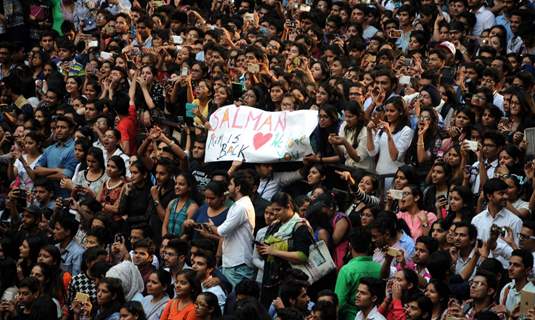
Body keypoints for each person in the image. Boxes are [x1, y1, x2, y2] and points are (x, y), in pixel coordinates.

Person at [257, 192, 313, 307]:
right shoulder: (275, 224)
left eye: (278, 210)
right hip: (270, 279)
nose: (275, 214)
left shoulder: (300, 226)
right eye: (273, 210)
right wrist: (264, 249)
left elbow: (303, 256)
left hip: (288, 283)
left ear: (289, 206)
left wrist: (275, 251)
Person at [205, 170, 256, 288]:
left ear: (237, 188)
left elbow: (221, 231)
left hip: (237, 264)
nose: (228, 187)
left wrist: (211, 226)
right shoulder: (240, 204)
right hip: (234, 262)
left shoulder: (241, 207)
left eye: (230, 184)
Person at [335, 229, 381, 320]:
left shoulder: (347, 270)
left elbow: (339, 302)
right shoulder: (379, 268)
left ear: (350, 246)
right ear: (369, 246)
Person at [498, 249, 534, 314]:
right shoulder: (507, 288)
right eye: (510, 264)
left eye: (516, 265)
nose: (510, 268)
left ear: (528, 270)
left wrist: (507, 312)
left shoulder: (532, 292)